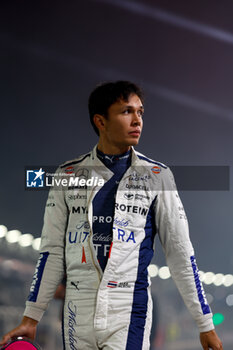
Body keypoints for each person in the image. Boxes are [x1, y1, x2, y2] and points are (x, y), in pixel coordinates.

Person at [0, 81, 223, 350]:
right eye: (126, 111)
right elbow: (51, 252)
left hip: (128, 307)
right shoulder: (68, 175)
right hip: (76, 310)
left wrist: (205, 323)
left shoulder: (157, 176)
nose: (137, 120)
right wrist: (31, 317)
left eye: (140, 112)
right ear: (101, 121)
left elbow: (180, 254)